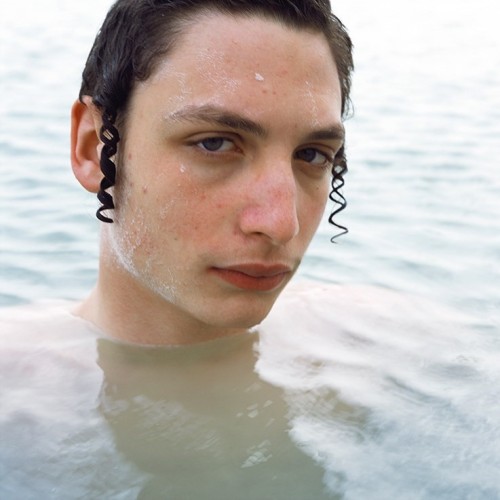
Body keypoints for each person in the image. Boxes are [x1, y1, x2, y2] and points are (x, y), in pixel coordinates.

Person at [1, 0, 355, 498]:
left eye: (312, 155)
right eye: (214, 143)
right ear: (94, 147)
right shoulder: (15, 399)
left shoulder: (377, 350)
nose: (280, 222)